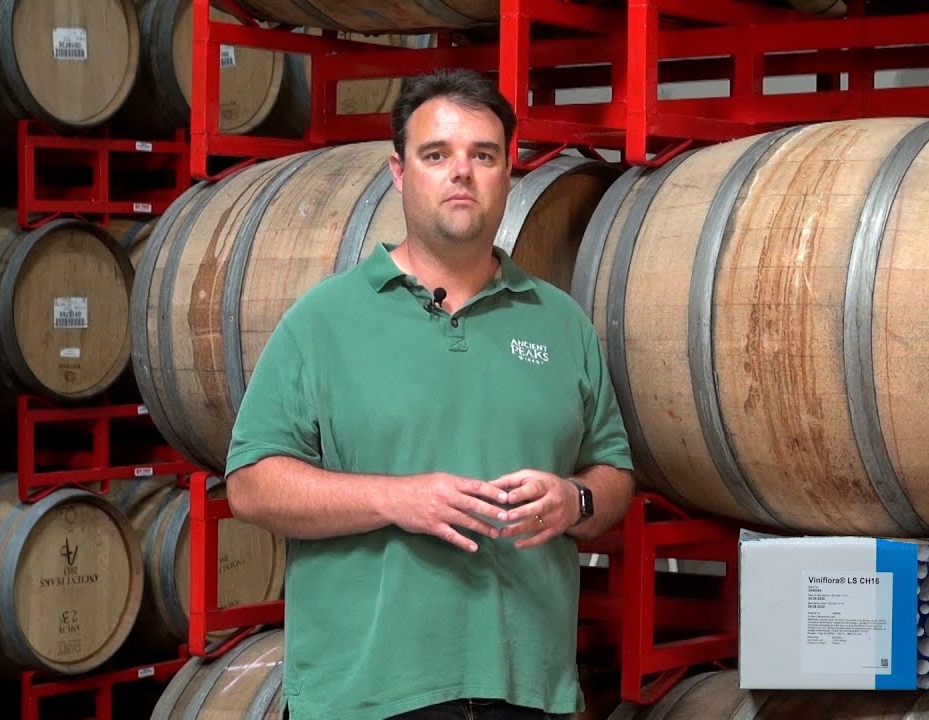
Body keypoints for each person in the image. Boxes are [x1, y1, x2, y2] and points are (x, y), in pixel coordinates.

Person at [224, 68, 635, 720]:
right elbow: (251, 485)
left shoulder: (561, 323)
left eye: (484, 155)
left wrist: (574, 499)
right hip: (364, 697)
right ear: (399, 172)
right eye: (437, 155)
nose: (462, 172)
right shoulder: (324, 320)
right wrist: (396, 498)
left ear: (508, 173)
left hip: (525, 690)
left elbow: (613, 471)